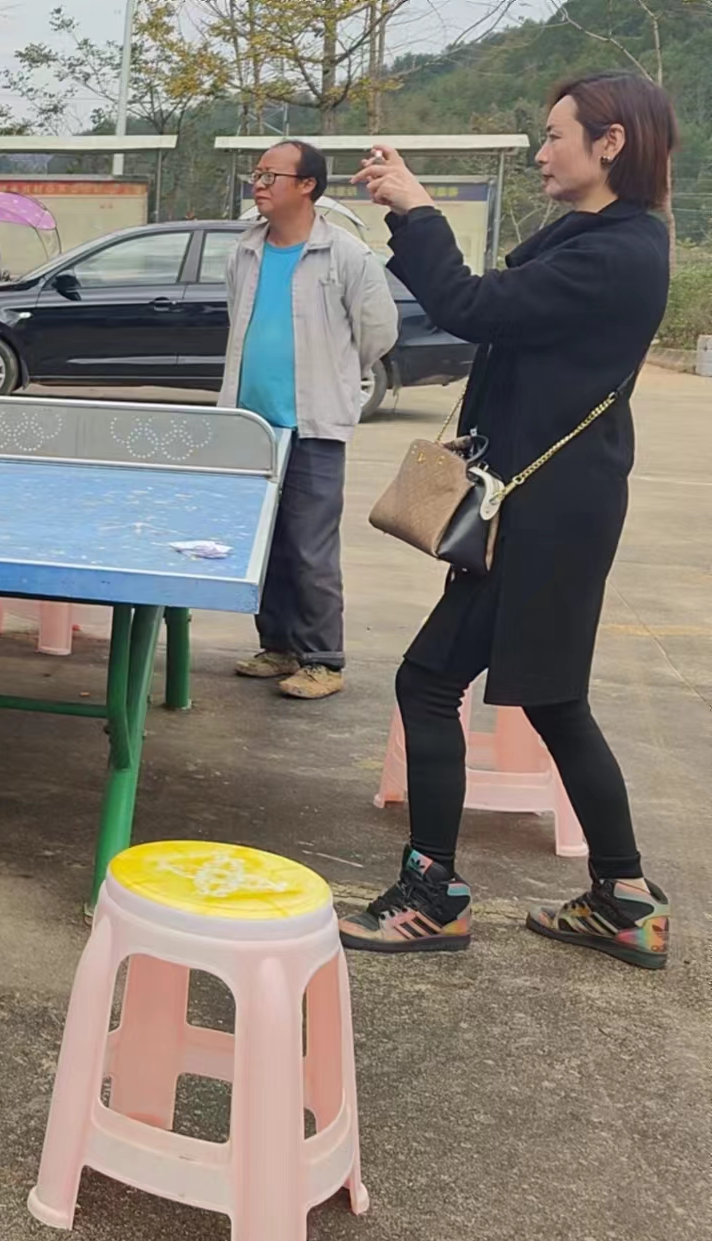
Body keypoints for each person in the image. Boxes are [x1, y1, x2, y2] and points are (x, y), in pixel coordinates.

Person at [341, 72, 677, 969]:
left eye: (555, 134)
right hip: (555, 500)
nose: (541, 151)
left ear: (610, 142)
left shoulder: (620, 252)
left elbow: (474, 307)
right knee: (556, 699)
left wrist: (417, 210)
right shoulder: (597, 236)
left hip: (547, 511)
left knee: (428, 682)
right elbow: (497, 309)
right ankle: (625, 899)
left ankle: (433, 895)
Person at [218, 139, 399, 702]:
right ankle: (278, 646)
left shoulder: (345, 255)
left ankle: (323, 658)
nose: (259, 183)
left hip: (314, 426)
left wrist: (335, 376)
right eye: (257, 173)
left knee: (309, 548)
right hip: (252, 427)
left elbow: (378, 332)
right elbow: (238, 318)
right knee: (265, 544)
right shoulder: (245, 250)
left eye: (271, 175)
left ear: (307, 186)